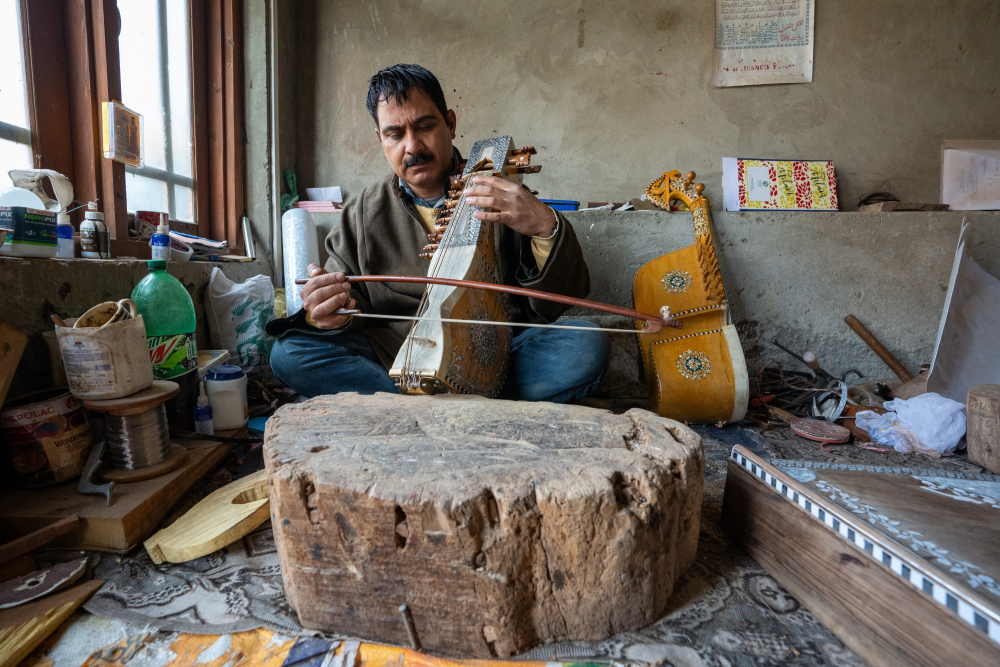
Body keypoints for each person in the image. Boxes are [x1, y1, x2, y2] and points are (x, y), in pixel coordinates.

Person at [267, 64, 609, 401]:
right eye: (395, 134)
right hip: (395, 356)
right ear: (381, 139)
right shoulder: (362, 211)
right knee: (289, 353)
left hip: (493, 358)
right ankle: (434, 402)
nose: (413, 146)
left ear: (450, 123)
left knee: (585, 344)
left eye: (425, 126)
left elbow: (554, 303)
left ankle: (411, 406)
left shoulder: (498, 190)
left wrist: (546, 226)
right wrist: (326, 311)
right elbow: (348, 304)